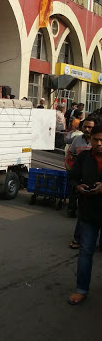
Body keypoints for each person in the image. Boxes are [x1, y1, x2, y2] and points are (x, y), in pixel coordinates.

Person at [67, 124, 102, 305]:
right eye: (96, 140)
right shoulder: (84, 158)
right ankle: (81, 289)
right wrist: (77, 186)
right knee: (85, 252)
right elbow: (72, 176)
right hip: (88, 213)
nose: (99, 143)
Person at [65, 116, 97, 220]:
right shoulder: (77, 139)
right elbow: (70, 154)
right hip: (78, 171)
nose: (87, 129)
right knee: (74, 190)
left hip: (94, 173)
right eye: (85, 126)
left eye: (90, 127)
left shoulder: (98, 142)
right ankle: (72, 209)